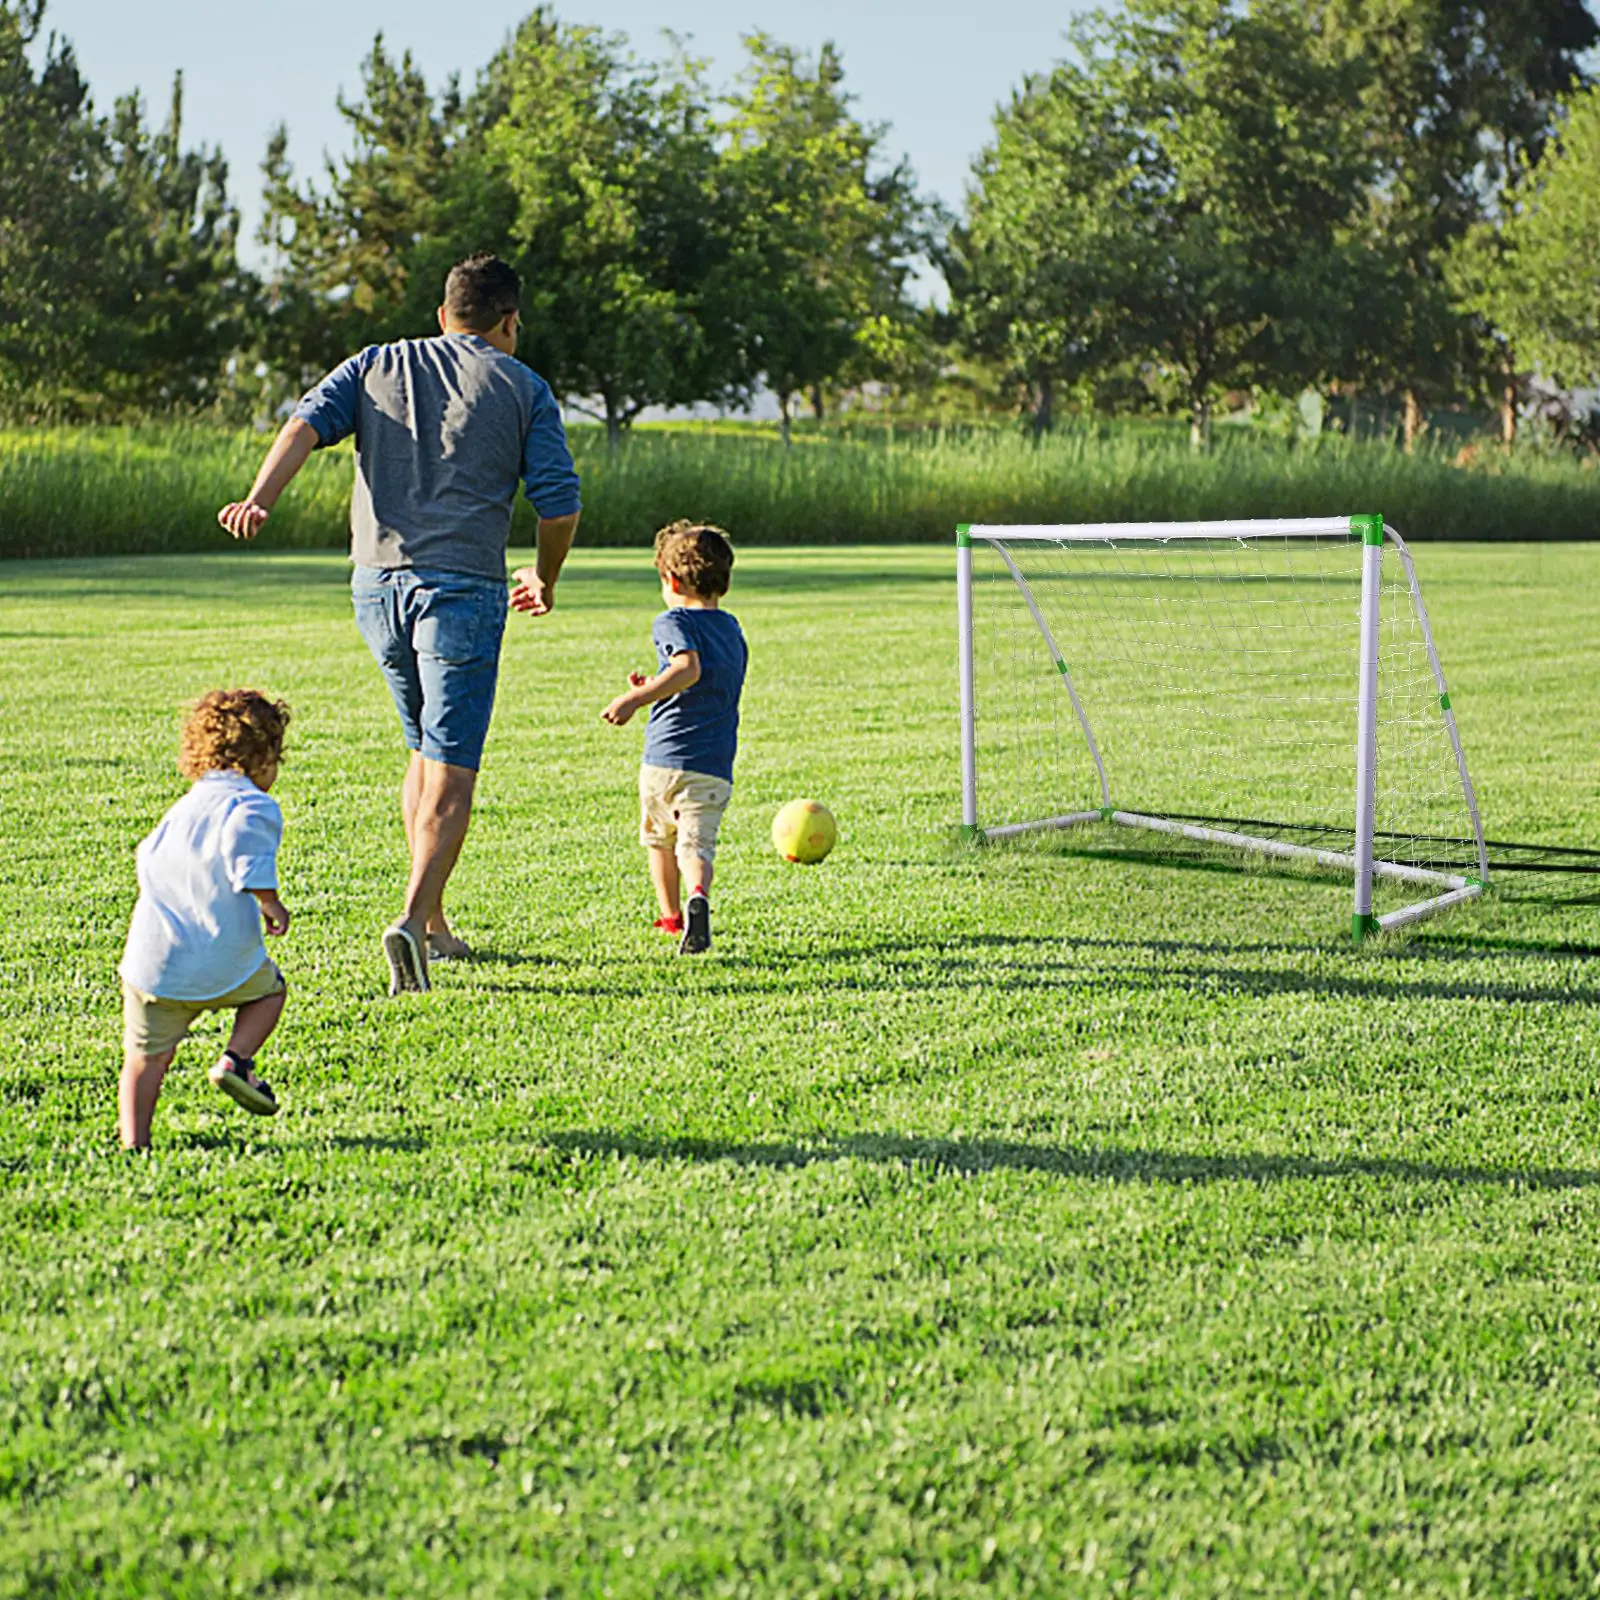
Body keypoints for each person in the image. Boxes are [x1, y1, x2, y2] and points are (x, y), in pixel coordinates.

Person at [217, 253, 581, 995]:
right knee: (452, 761)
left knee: (420, 748)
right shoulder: (524, 387)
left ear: (443, 315)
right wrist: (543, 577)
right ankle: (412, 924)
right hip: (462, 592)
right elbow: (559, 505)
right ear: (510, 321)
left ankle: (437, 923)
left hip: (376, 587)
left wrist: (259, 499)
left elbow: (301, 427)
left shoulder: (376, 362)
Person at [119, 690, 293, 1150]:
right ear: (262, 759)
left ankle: (134, 1142)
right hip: (222, 957)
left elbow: (148, 858)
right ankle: (236, 1060)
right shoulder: (251, 804)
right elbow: (244, 846)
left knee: (144, 1057)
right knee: (270, 993)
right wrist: (268, 900)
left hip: (153, 963)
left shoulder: (184, 809)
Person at [602, 522, 748, 955]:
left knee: (659, 839)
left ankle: (670, 917)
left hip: (665, 760)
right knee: (696, 843)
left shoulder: (673, 620)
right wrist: (657, 682)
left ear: (671, 580)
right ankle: (697, 896)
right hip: (713, 766)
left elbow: (688, 670)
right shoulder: (731, 627)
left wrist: (634, 697)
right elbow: (703, 679)